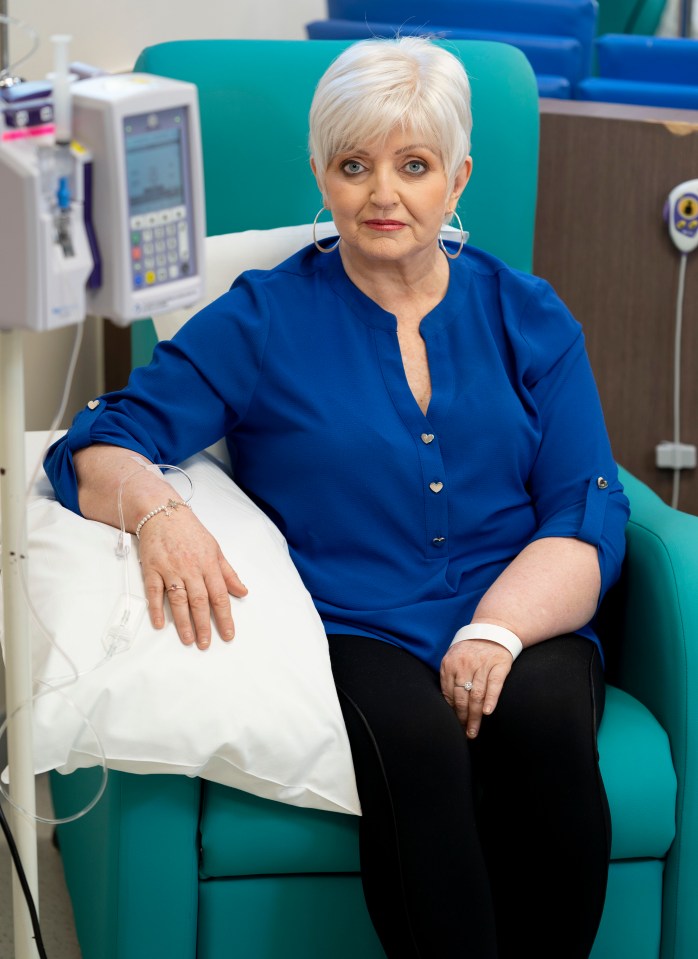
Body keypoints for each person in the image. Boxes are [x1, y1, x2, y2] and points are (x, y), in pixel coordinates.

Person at [45, 36, 629, 959]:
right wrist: (162, 515)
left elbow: (586, 509)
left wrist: (498, 628)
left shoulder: (531, 314)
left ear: (458, 178)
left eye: (414, 165)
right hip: (359, 624)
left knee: (549, 728)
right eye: (354, 166)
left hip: (522, 607)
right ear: (321, 171)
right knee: (420, 755)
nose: (382, 194)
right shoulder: (263, 317)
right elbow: (104, 438)